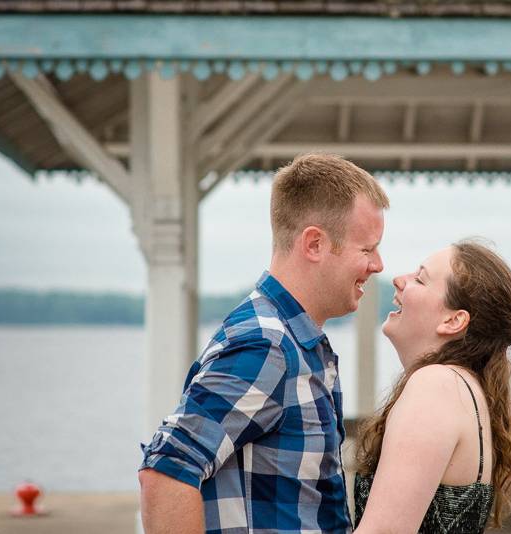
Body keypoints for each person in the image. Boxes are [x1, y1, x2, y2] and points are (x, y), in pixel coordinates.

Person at [138, 154, 389, 533]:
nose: (379, 265)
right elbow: (167, 472)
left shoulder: (294, 342)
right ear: (315, 243)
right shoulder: (267, 345)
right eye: (367, 249)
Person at [353, 240, 511, 534]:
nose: (398, 280)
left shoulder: (436, 385)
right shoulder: (465, 389)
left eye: (420, 279)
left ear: (454, 320)